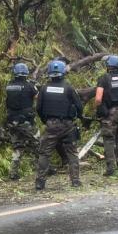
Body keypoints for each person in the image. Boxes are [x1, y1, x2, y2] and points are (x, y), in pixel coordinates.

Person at [35, 60, 83, 190]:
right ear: (63, 73)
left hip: (51, 125)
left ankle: (40, 182)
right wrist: (77, 117)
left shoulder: (44, 88)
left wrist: (46, 121)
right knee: (72, 153)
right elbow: (79, 106)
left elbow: (38, 108)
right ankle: (75, 181)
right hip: (67, 125)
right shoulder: (69, 88)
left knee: (45, 153)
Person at [3, 63, 39, 181]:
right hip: (26, 122)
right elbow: (37, 97)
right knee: (38, 142)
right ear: (26, 73)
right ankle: (43, 168)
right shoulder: (29, 86)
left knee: (17, 146)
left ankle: (13, 173)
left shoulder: (9, 86)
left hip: (12, 121)